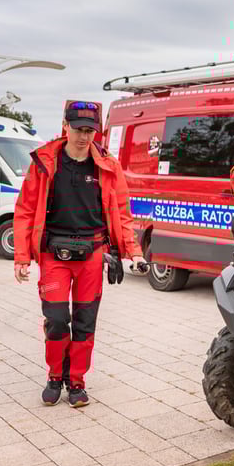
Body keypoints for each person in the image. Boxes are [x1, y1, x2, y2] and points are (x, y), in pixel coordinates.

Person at [13, 101, 146, 408]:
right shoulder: (45, 162)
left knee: (85, 323)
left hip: (92, 255)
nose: (84, 137)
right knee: (57, 320)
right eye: (78, 129)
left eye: (90, 130)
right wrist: (22, 257)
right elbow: (25, 210)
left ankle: (77, 381)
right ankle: (54, 375)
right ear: (65, 125)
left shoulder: (108, 167)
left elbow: (123, 214)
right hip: (54, 255)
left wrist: (134, 252)